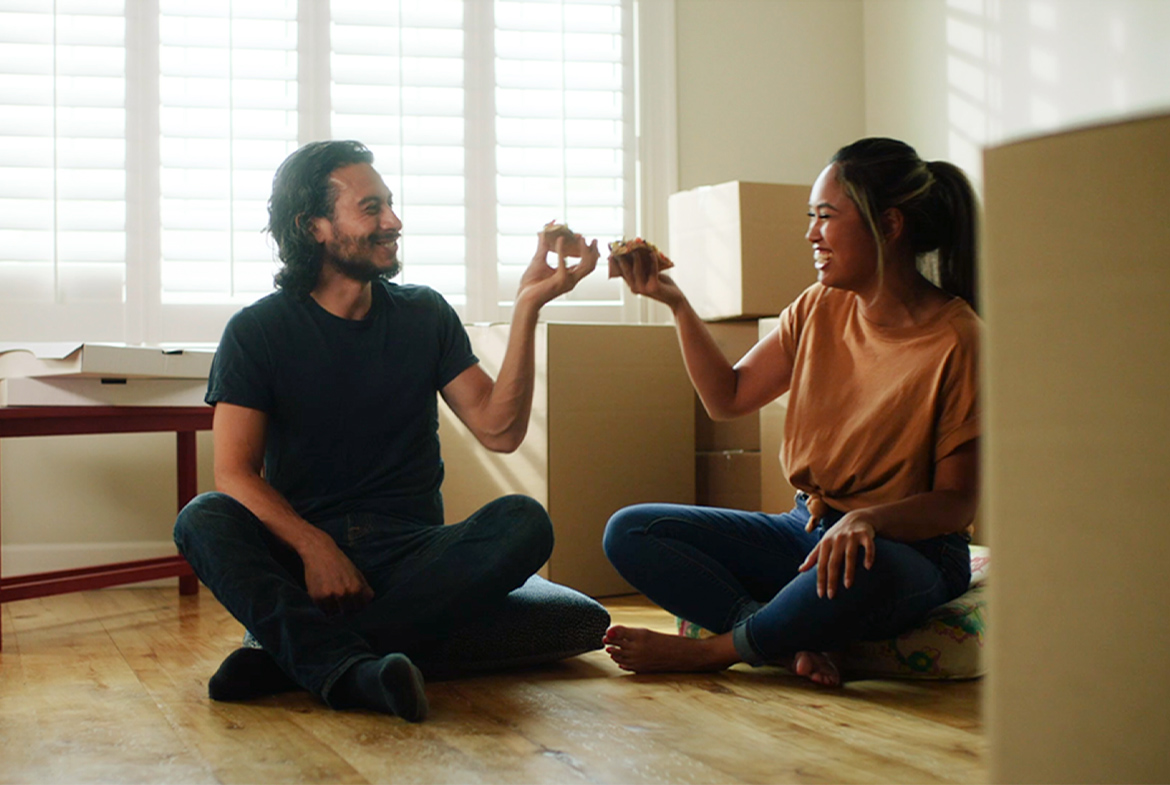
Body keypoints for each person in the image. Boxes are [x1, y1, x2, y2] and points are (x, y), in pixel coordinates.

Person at [174, 140, 609, 722]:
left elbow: (499, 431)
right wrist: (315, 547)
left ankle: (300, 659)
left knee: (523, 523)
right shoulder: (258, 331)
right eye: (372, 208)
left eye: (391, 205)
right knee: (201, 517)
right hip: (303, 551)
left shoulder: (425, 314)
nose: (393, 222)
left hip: (411, 552)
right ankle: (346, 660)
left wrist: (528, 307)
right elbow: (233, 472)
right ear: (316, 227)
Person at [602, 138, 980, 686]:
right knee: (632, 531)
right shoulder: (817, 306)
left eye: (826, 217)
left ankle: (716, 652)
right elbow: (727, 397)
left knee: (867, 572)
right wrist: (676, 302)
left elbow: (956, 501)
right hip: (807, 529)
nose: (811, 234)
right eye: (811, 217)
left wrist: (869, 518)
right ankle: (773, 639)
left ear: (890, 225)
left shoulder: (959, 339)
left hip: (905, 550)